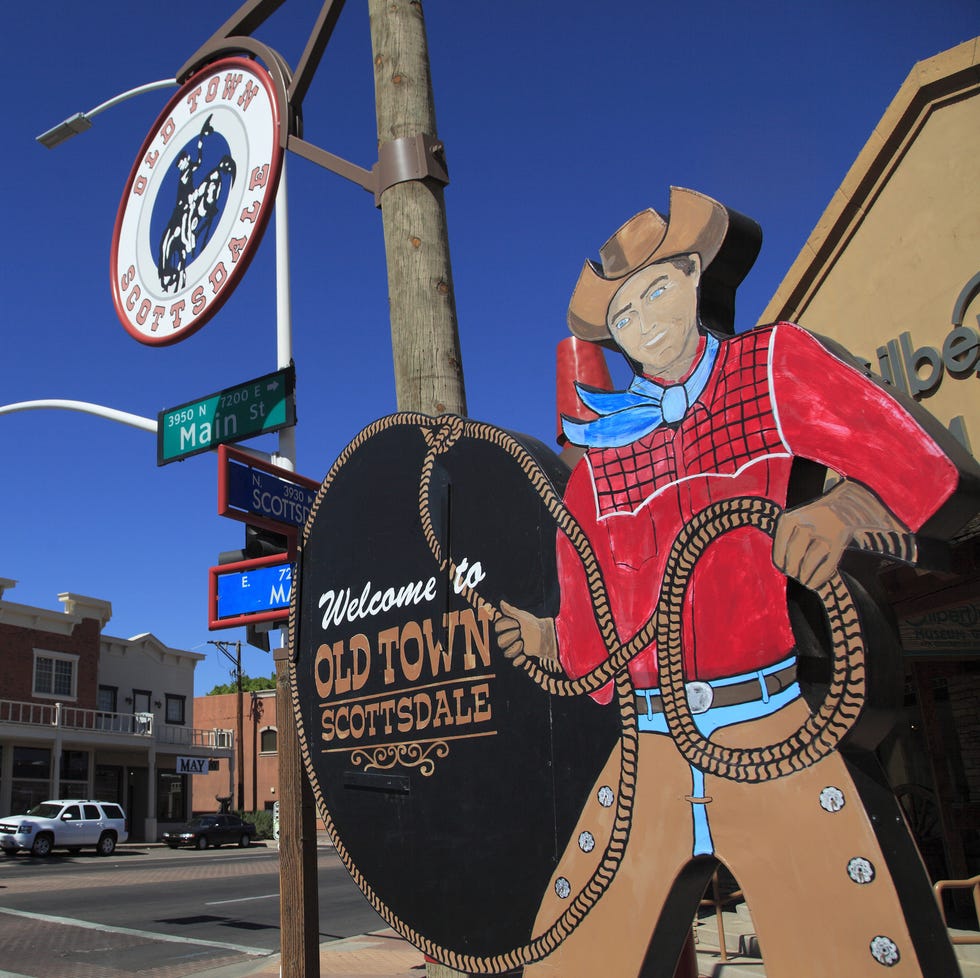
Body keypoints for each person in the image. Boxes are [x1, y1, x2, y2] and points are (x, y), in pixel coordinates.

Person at [494, 187, 976, 977]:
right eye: (624, 316)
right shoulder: (601, 460)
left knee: (859, 957)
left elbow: (925, 469)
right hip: (646, 749)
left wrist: (841, 514)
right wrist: (543, 638)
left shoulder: (773, 367)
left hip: (768, 728)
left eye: (656, 291)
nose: (645, 322)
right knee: (571, 958)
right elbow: (591, 647)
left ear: (694, 275)